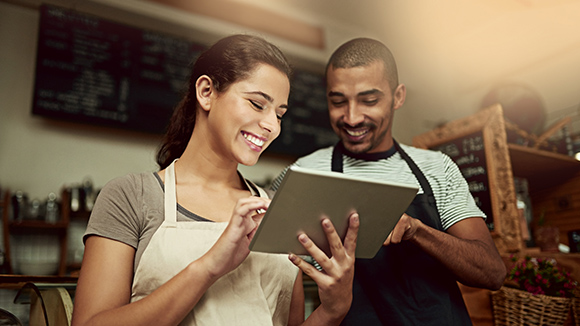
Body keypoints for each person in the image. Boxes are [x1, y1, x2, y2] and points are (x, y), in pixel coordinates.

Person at [71, 34, 359, 326]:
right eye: (258, 104)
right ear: (206, 92)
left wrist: (331, 312)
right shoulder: (130, 196)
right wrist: (209, 267)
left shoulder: (277, 209)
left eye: (280, 114)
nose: (272, 126)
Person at [269, 38, 507, 325]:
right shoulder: (304, 174)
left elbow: (492, 273)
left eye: (369, 100)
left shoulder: (438, 169)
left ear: (397, 96)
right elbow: (275, 276)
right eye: (338, 101)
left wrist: (417, 231)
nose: (352, 117)